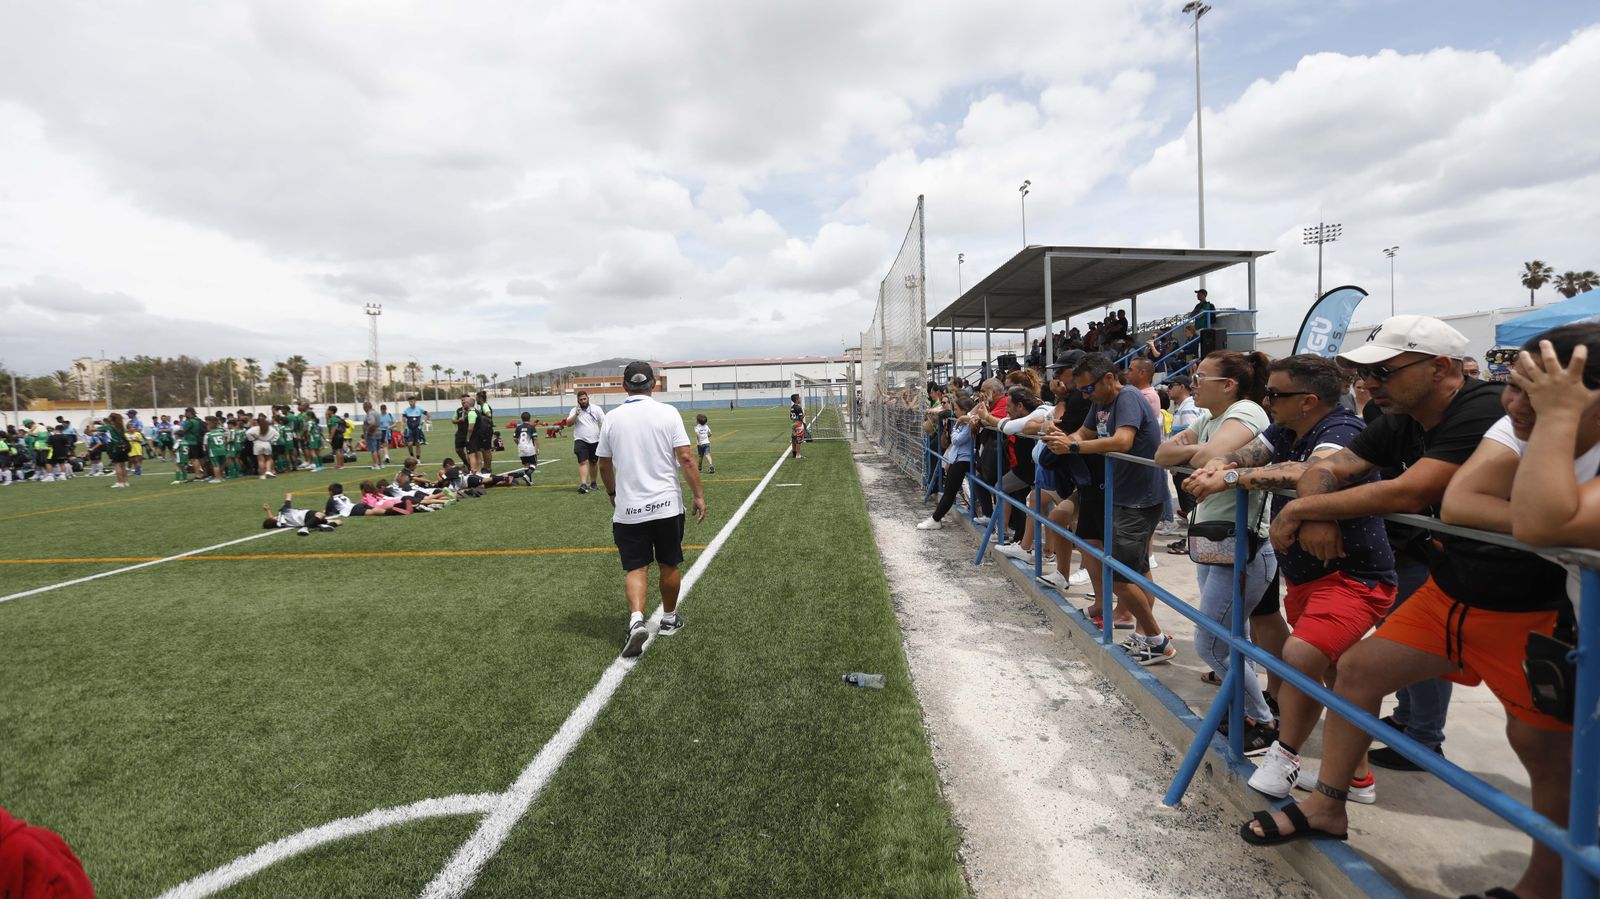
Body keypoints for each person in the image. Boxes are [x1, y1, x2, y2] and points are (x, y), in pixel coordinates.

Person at [1239, 316, 1514, 843]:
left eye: (1384, 371)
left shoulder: (1482, 406)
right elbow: (1330, 470)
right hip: (1458, 580)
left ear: (1441, 368)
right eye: (1367, 373)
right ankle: (1331, 803)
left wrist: (1300, 511)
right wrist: (1317, 510)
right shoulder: (1398, 416)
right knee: (1358, 670)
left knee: (1545, 739)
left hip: (1536, 593)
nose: (1370, 384)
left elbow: (1410, 492)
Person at [1186, 355, 1396, 800]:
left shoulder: (1342, 430)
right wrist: (1220, 465)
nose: (1267, 401)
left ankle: (1285, 754)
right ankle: (1357, 776)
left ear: (1308, 401)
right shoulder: (1287, 430)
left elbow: (1309, 470)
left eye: (1276, 395)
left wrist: (1230, 477)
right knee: (1339, 675)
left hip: (1352, 576)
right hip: (1307, 578)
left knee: (1299, 657)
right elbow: (1250, 453)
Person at [1155, 350, 1278, 748]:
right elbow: (1161, 455)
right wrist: (1199, 454)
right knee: (1230, 636)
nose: (1193, 381)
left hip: (1243, 543)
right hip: (1214, 539)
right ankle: (1242, 707)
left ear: (1228, 385)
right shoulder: (1211, 417)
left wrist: (1196, 455)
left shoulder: (1247, 411)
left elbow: (1207, 456)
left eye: (1201, 376)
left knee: (1211, 643)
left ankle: (1260, 721)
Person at [1040, 352, 1172, 664]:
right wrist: (1065, 438)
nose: (1085, 395)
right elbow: (1084, 432)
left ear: (1109, 378)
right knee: (1136, 569)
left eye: (1088, 389)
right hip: (1122, 494)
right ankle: (1145, 634)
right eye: (1082, 390)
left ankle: (1157, 638)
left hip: (1139, 496)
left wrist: (1073, 446)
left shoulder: (1126, 397)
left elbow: (1123, 441)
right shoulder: (1100, 400)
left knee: (1122, 572)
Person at [597, 361, 706, 658]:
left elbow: (603, 464)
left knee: (637, 566)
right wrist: (698, 495)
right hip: (667, 506)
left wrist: (611, 492)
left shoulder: (612, 418)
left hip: (629, 508)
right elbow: (685, 457)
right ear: (653, 383)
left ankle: (636, 620)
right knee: (669, 563)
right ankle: (669, 619)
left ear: (624, 385)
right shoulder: (667, 412)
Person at [918, 394, 979, 530]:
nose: (954, 412)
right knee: (954, 489)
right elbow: (955, 438)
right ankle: (936, 518)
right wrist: (958, 426)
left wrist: (957, 427)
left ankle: (936, 519)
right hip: (959, 458)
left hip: (964, 459)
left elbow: (956, 439)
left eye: (956, 409)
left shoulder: (968, 423)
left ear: (964, 410)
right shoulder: (964, 421)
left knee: (950, 491)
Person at [565, 390, 605, 493]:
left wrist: (604, 436)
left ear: (588, 398)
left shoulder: (596, 409)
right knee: (582, 461)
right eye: (581, 400)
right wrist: (576, 415)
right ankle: (583, 484)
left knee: (593, 462)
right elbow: (568, 423)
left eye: (584, 399)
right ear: (578, 400)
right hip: (580, 439)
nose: (583, 401)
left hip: (595, 439)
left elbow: (604, 422)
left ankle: (593, 482)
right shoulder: (574, 410)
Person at [262, 492, 340, 534]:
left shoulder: (281, 525)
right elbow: (289, 497)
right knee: (321, 514)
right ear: (273, 519)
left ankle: (322, 525)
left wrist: (268, 511)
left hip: (307, 521)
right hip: (305, 515)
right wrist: (288, 495)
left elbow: (271, 520)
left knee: (338, 521)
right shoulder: (283, 511)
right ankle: (305, 528)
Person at [246, 414, 279, 480]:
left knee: (261, 460)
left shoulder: (255, 428)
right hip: (267, 443)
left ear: (257, 422)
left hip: (258, 444)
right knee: (268, 459)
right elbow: (277, 434)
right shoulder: (270, 428)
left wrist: (252, 439)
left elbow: (247, 433)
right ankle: (268, 471)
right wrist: (272, 441)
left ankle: (262, 475)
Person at [512, 411, 541, 483]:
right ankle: (527, 474)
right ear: (530, 418)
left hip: (521, 448)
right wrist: (537, 448)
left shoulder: (518, 427)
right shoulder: (532, 427)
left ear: (521, 419)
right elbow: (535, 438)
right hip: (530, 448)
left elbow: (515, 438)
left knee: (526, 465)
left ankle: (529, 481)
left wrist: (519, 444)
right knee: (534, 463)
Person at [474, 390, 496, 473]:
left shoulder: (485, 406)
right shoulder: (483, 406)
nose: (476, 400)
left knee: (487, 450)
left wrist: (481, 418)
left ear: (480, 398)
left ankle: (488, 467)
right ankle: (486, 466)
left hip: (486, 431)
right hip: (484, 431)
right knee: (483, 449)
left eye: (477, 398)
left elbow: (488, 415)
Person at [203, 417, 229, 483]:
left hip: (214, 451)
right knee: (222, 464)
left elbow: (206, 445)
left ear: (210, 427)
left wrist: (207, 451)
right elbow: (225, 441)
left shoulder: (208, 434)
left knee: (215, 465)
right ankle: (221, 477)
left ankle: (217, 478)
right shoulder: (221, 433)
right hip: (222, 450)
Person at [361, 402, 384, 469]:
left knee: (373, 450)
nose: (364, 410)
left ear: (366, 407)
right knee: (378, 449)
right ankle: (381, 464)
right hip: (378, 432)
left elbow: (372, 423)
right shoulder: (376, 413)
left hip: (372, 434)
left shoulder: (370, 414)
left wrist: (368, 431)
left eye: (364, 408)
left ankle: (375, 464)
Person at [326, 406, 346, 470]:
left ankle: (338, 464)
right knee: (340, 450)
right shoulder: (337, 418)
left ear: (331, 411)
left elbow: (333, 428)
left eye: (328, 410)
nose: (327, 411)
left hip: (336, 436)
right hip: (340, 435)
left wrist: (331, 438)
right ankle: (342, 464)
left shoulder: (333, 419)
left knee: (337, 450)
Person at [789, 392, 807, 460]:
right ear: (796, 400)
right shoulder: (798, 408)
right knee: (798, 440)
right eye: (799, 398)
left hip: (793, 424)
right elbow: (800, 417)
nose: (800, 399)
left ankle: (794, 453)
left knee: (794, 439)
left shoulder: (792, 407)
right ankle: (798, 455)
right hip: (798, 424)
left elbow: (790, 417)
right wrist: (805, 413)